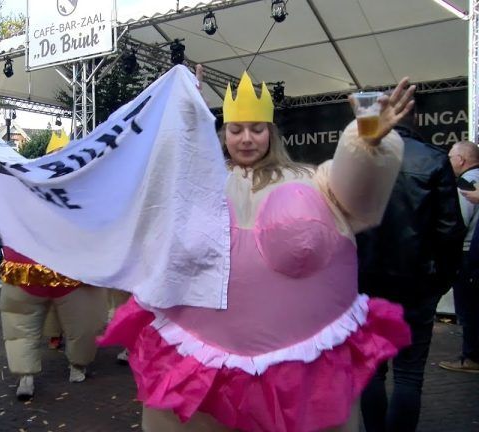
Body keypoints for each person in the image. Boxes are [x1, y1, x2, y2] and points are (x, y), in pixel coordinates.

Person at [98, 71, 414, 431]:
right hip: (198, 358)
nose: (246, 139)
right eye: (236, 130)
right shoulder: (194, 185)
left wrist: (366, 143)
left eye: (257, 129)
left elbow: (357, 196)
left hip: (299, 365)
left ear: (272, 133)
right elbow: (150, 188)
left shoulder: (314, 181)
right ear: (223, 134)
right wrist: (185, 114)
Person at [356, 100, 465, 431]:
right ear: (416, 121)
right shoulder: (432, 158)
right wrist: (439, 282)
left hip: (365, 286)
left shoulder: (357, 159)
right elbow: (450, 230)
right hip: (416, 285)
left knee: (372, 370)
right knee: (409, 374)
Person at [0, 244, 107, 399]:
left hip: (24, 266)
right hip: (74, 267)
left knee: (20, 327)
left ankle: (25, 376)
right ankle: (78, 366)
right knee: (85, 322)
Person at [439, 140, 479, 373]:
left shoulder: (467, 183)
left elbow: (458, 222)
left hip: (468, 255)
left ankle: (470, 357)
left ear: (461, 160)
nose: (449, 161)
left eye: (451, 157)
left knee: (469, 308)